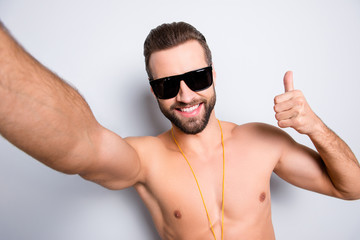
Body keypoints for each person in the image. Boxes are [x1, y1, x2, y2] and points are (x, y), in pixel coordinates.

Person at [0, 20, 359, 240]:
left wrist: (313, 127)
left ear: (213, 76)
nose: (185, 95)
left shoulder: (262, 140)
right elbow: (85, 146)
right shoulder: (145, 158)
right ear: (153, 90)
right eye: (168, 85)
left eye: (197, 78)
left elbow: (352, 188)